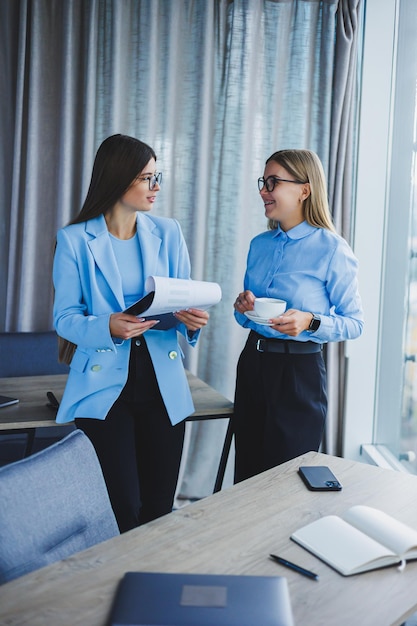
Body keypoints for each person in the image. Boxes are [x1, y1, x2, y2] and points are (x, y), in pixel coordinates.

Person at [53, 133, 209, 532]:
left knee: (159, 508)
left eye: (158, 177)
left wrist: (187, 320)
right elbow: (65, 317)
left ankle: (148, 588)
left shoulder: (168, 232)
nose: (156, 188)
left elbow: (179, 299)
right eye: (147, 178)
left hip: (163, 384)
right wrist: (106, 324)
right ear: (119, 179)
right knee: (121, 506)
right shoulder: (74, 240)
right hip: (105, 388)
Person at [233, 149, 363, 483]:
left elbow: (354, 322)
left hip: (298, 376)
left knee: (285, 482)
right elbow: (248, 319)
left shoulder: (332, 249)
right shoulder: (259, 244)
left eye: (272, 182)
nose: (263, 190)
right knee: (246, 476)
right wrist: (245, 308)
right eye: (263, 182)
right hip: (252, 364)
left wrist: (310, 321)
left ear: (304, 190)